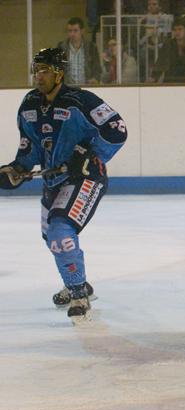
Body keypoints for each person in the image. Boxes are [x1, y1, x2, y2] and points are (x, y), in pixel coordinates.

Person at [0, 48, 127, 323]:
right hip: (53, 181)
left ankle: (78, 294)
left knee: (60, 231)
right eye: (36, 70)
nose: (38, 76)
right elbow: (30, 149)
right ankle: (78, 283)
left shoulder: (80, 100)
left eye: (44, 70)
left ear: (59, 73)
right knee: (52, 239)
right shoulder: (30, 104)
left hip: (86, 177)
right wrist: (17, 169)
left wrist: (88, 154)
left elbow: (117, 130)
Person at [150, 18, 185, 83]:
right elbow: (160, 64)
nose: (177, 32)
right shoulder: (168, 45)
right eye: (175, 30)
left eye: (180, 29)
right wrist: (153, 78)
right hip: (171, 82)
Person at [57, 17, 102, 85]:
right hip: (68, 88)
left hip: (87, 88)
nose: (72, 34)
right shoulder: (61, 48)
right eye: (70, 31)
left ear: (82, 31)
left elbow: (97, 68)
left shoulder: (91, 47)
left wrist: (95, 78)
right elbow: (57, 68)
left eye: (75, 30)